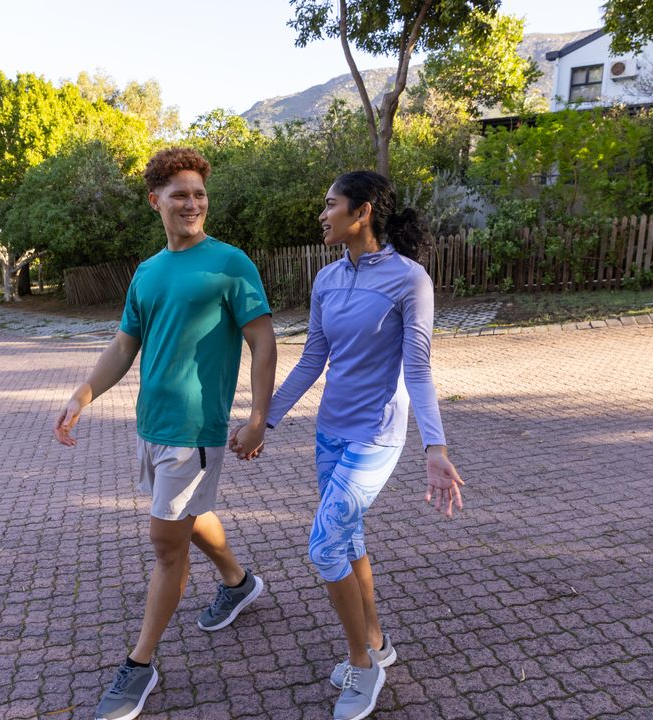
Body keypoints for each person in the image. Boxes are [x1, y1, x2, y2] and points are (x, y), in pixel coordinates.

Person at [54, 147, 277, 720]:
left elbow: (262, 340)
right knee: (183, 514)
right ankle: (237, 581)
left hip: (195, 429)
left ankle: (140, 665)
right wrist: (83, 395)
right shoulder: (148, 272)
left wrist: (258, 416)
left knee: (164, 544)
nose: (192, 203)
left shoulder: (230, 264)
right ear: (155, 200)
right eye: (179, 193)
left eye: (199, 193)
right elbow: (126, 344)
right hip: (150, 425)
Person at [233, 170, 464, 720]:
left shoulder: (410, 281)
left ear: (361, 213)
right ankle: (378, 643)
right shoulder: (327, 279)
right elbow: (314, 359)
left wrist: (436, 447)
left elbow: (419, 369)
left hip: (377, 435)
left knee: (323, 544)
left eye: (331, 205)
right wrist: (264, 420)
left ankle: (362, 665)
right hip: (330, 432)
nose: (322, 214)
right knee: (349, 539)